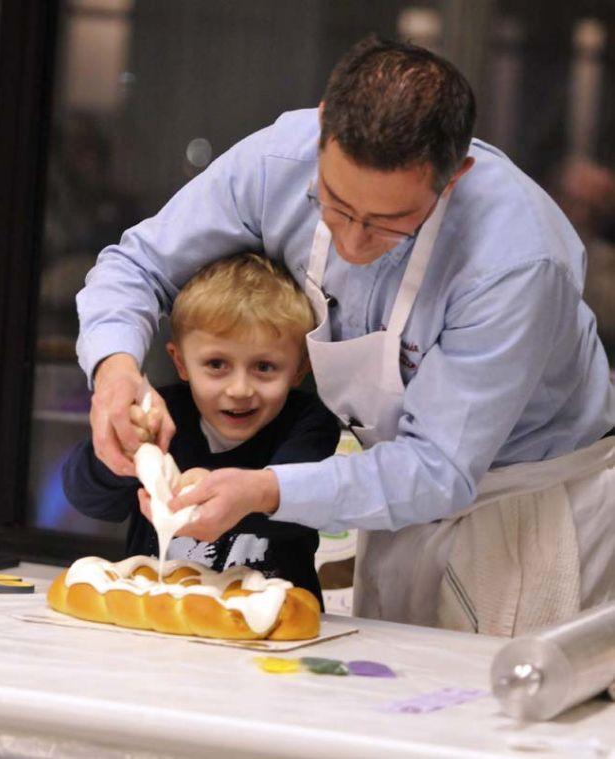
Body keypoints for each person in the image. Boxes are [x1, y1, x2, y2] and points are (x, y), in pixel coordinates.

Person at [77, 36, 615, 636]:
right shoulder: (274, 163)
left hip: (525, 502)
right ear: (323, 134)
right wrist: (115, 368)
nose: (353, 244)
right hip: (393, 490)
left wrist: (265, 490)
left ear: (454, 178)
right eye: (334, 204)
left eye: (389, 223)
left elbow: (439, 468)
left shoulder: (516, 261)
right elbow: (136, 265)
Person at [63, 253, 341, 605]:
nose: (239, 389)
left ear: (300, 370)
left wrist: (226, 490)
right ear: (180, 361)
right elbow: (89, 499)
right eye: (216, 364)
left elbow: (298, 511)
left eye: (265, 367)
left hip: (269, 630)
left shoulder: (307, 423)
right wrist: (124, 453)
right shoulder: (162, 417)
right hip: (159, 617)